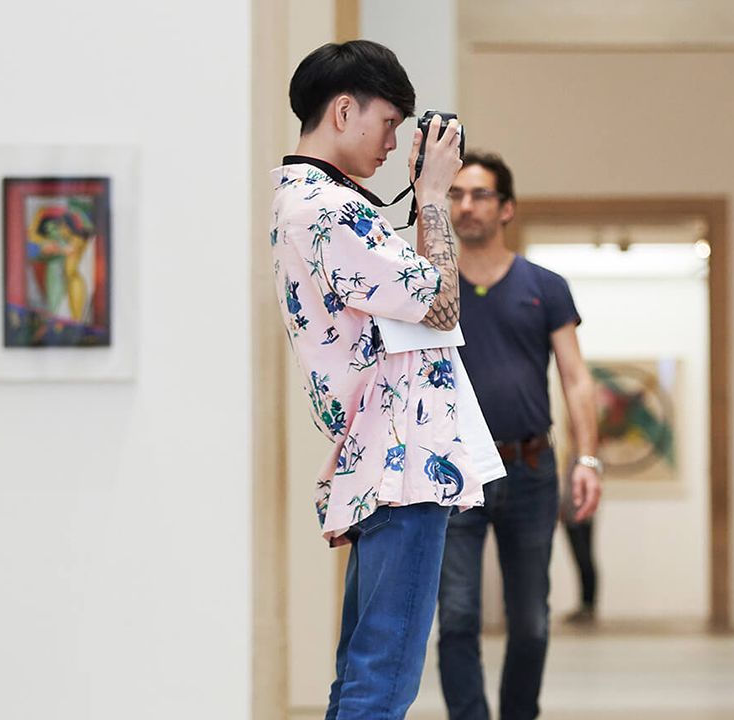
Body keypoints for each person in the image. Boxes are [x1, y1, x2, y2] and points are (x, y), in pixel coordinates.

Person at [271, 40, 499, 719]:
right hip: (399, 462)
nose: (393, 141)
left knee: (366, 671)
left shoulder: (325, 203)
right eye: (388, 123)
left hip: (386, 457)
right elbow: (445, 305)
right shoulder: (327, 210)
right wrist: (432, 193)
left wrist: (426, 198)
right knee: (383, 677)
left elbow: (425, 303)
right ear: (344, 110)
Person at [436, 151, 604, 720]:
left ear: (506, 208)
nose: (466, 205)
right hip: (454, 474)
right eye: (456, 194)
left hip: (530, 469)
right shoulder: (430, 289)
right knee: (457, 616)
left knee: (530, 618)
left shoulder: (545, 287)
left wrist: (588, 459)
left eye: (480, 195)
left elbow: (577, 379)